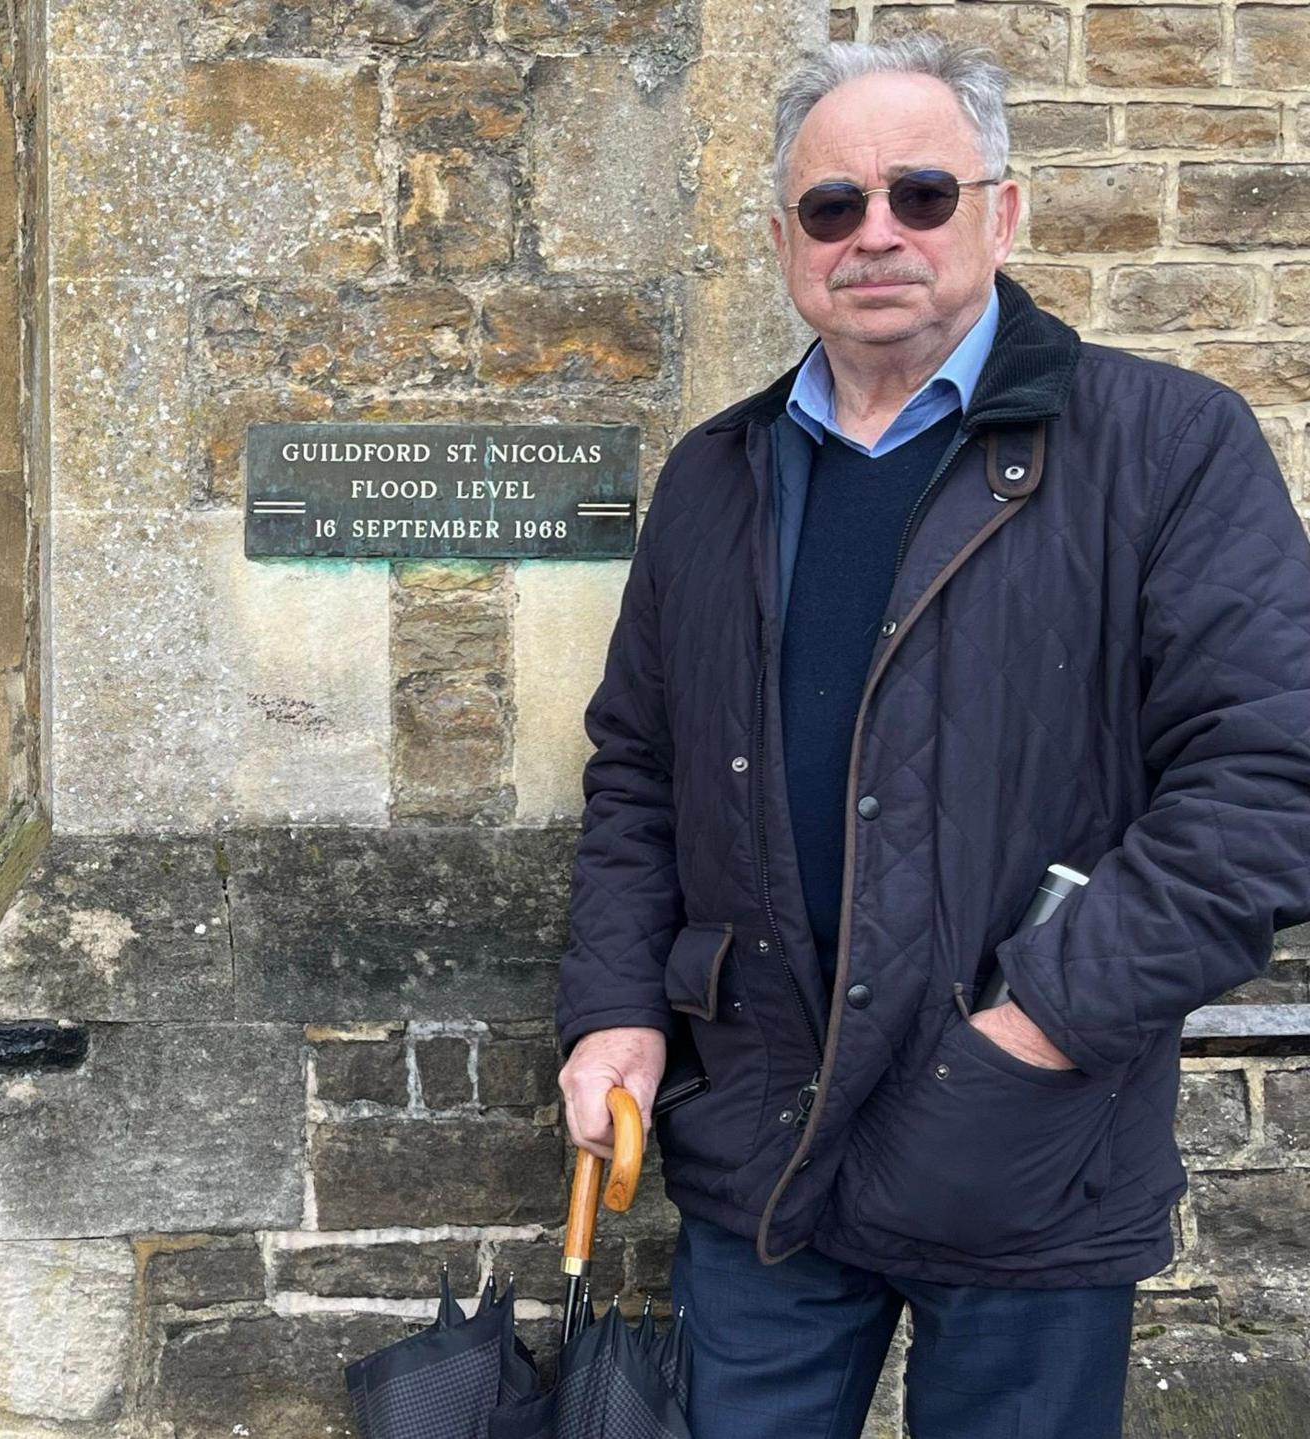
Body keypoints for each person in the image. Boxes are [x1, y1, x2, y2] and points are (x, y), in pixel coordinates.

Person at [551, 35, 1310, 1439]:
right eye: (834, 208)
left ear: (1003, 213)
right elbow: (640, 775)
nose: (877, 234)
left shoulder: (1168, 446)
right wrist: (611, 1013)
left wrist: (1030, 1036)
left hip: (1029, 1141)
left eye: (922, 193)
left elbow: (1269, 786)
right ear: (787, 240)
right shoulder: (717, 478)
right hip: (763, 1143)